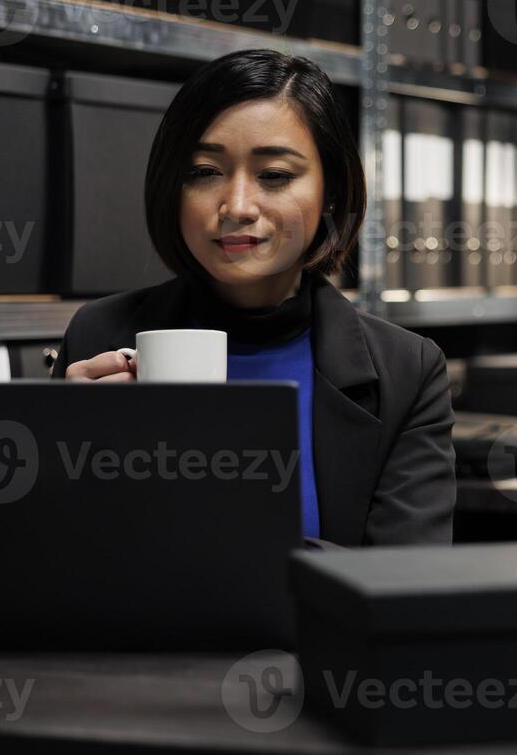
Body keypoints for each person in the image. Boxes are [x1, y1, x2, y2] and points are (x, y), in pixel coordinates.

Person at [51, 49, 455, 546]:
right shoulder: (99, 335)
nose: (237, 206)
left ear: (330, 191)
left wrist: (214, 521)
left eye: (275, 176)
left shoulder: (406, 372)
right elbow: (44, 569)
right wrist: (66, 463)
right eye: (204, 171)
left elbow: (403, 588)